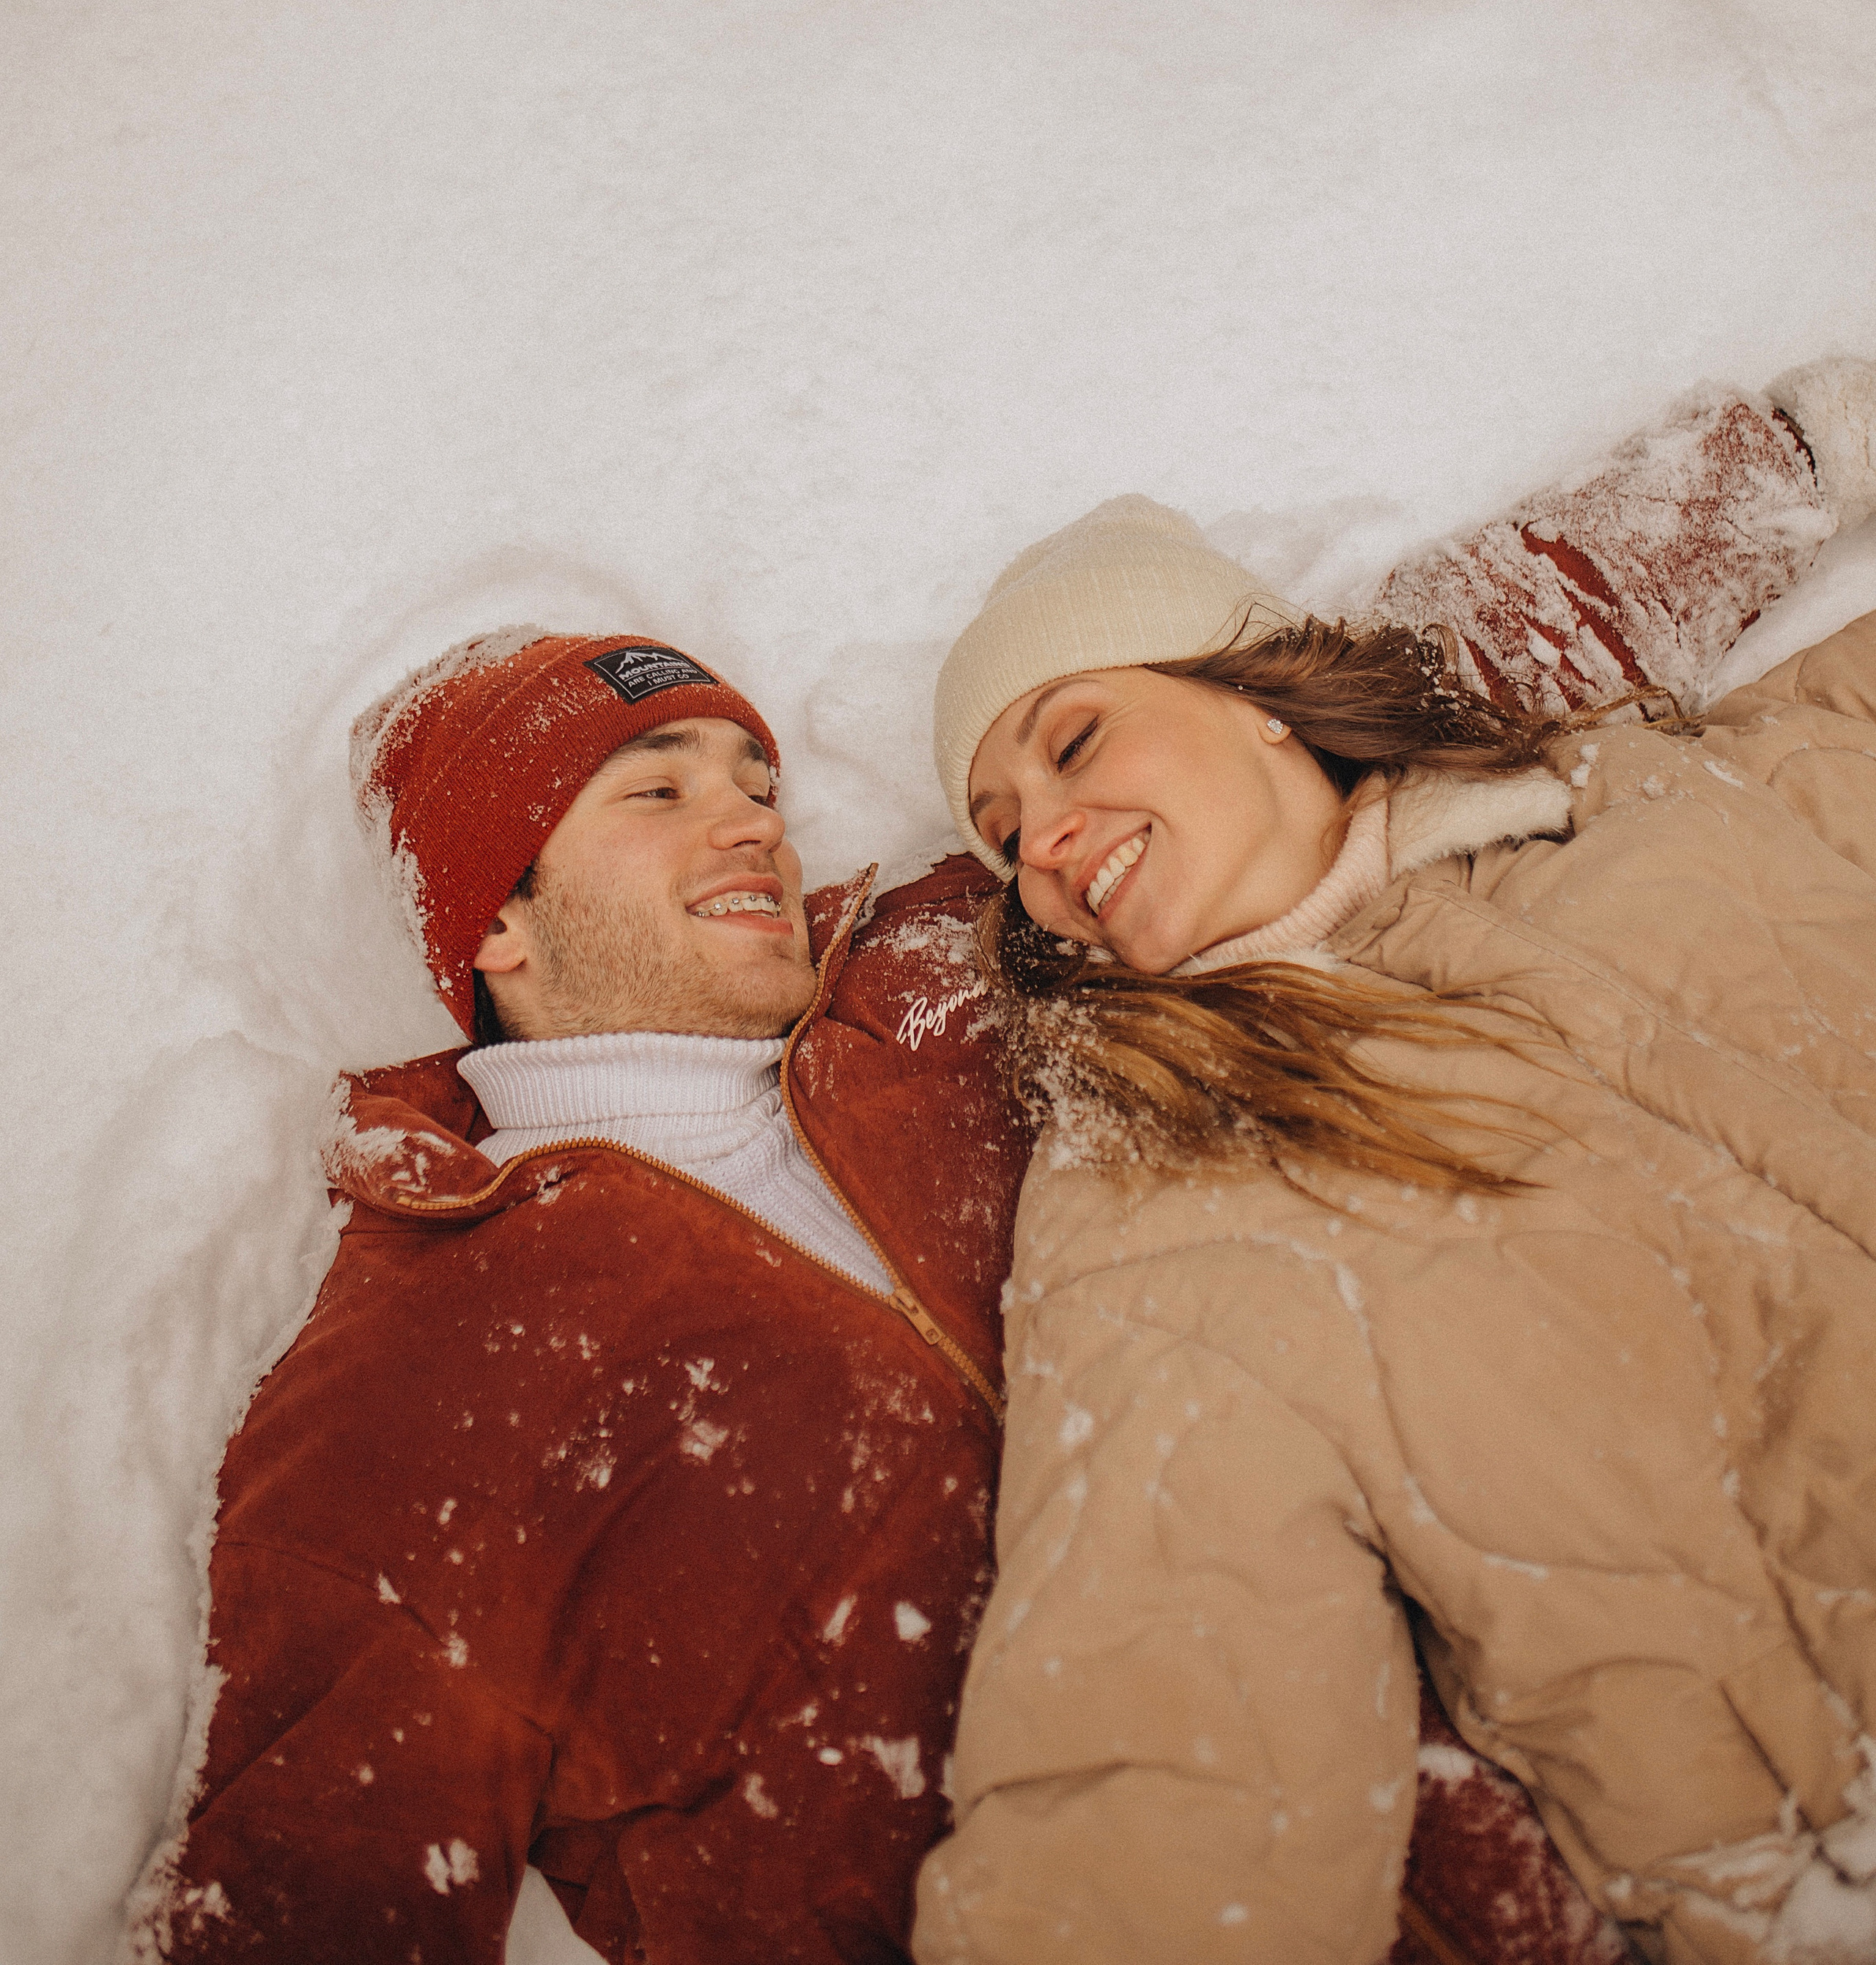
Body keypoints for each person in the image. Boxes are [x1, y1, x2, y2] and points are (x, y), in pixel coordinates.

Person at [133, 370, 1866, 1965]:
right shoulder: (421, 1375)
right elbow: (298, 1869)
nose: (751, 818)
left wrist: (1775, 461)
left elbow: (1327, 716)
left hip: (1603, 1819)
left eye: (754, 776)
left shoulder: (974, 967)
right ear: (493, 915)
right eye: (649, 794)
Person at [910, 360, 1876, 1965]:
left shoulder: (1664, 794)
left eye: (1073, 741)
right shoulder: (1162, 1197)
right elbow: (1160, 1710)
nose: (1047, 841)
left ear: (1254, 691)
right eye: (1003, 833)